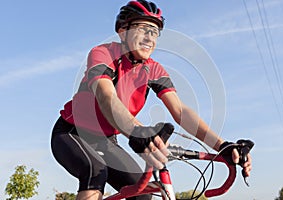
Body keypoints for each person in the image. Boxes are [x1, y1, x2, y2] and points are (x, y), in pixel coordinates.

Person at [51, 0, 252, 200]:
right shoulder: (103, 54)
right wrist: (136, 131)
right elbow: (106, 96)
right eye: (143, 29)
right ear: (122, 31)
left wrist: (222, 146)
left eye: (155, 32)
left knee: (143, 194)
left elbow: (180, 111)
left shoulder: (153, 69)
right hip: (72, 133)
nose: (150, 37)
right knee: (95, 172)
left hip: (107, 141)